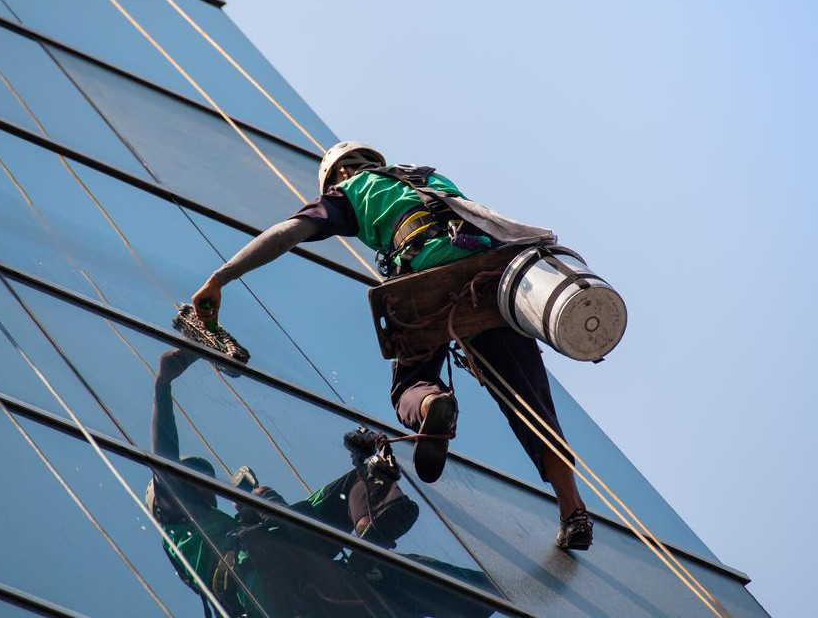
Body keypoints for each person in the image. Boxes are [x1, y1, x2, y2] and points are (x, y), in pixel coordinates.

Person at [192, 142, 593, 551]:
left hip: (425, 280)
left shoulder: (354, 189)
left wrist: (220, 278)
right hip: (493, 279)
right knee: (531, 404)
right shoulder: (431, 178)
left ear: (340, 175)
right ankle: (572, 510)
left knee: (410, 385)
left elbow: (288, 233)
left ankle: (431, 404)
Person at [149, 348, 492, 617]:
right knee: (311, 519)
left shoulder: (220, 530)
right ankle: (372, 527)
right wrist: (162, 385)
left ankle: (372, 523)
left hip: (290, 574)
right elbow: (163, 459)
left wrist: (260, 509)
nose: (205, 485)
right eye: (196, 478)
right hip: (266, 572)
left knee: (405, 572)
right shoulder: (177, 521)